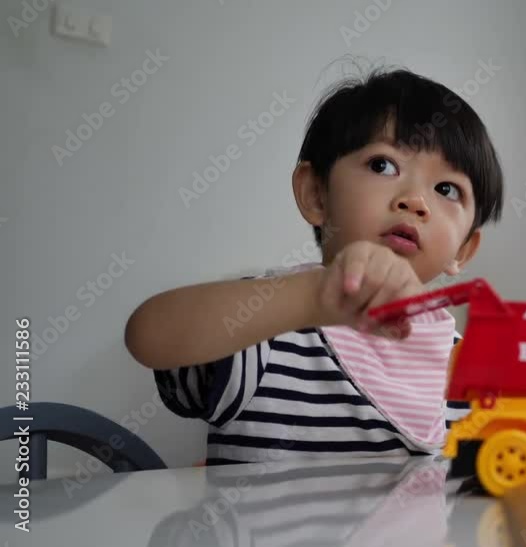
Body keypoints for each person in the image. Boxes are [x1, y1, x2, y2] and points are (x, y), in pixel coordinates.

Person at [125, 66, 504, 465]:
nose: (416, 201)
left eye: (447, 189)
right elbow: (145, 336)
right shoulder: (266, 321)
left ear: (463, 250)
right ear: (316, 194)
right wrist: (311, 299)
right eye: (383, 165)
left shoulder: (471, 366)